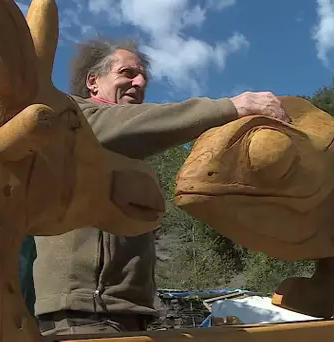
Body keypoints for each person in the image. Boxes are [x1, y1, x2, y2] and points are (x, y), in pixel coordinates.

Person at [32, 37, 289, 336]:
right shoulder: (72, 115)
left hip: (128, 314)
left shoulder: (127, 151)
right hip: (83, 314)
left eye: (143, 77)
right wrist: (231, 107)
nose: (139, 82)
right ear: (93, 81)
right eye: (127, 73)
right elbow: (119, 124)